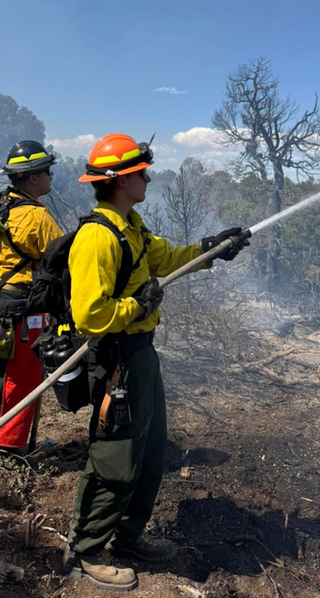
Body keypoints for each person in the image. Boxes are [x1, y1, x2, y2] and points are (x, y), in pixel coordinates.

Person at [63, 133, 249, 591]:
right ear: (119, 180)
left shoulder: (133, 226)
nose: (147, 178)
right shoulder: (97, 238)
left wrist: (212, 249)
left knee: (149, 452)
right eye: (140, 173)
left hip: (141, 356)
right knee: (115, 455)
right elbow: (89, 314)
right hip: (118, 362)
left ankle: (127, 536)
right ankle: (87, 550)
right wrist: (137, 307)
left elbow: (168, 258)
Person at [0, 141, 63, 451]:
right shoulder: (36, 217)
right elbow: (63, 261)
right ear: (33, 178)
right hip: (24, 310)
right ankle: (10, 448)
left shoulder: (3, 205)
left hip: (0, 305)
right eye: (47, 170)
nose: (51, 175)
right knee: (23, 379)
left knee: (0, 373)